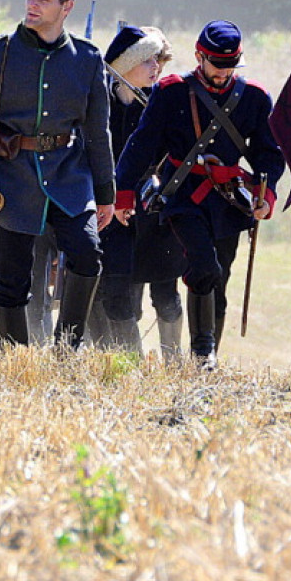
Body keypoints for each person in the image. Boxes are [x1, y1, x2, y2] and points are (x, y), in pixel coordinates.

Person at [0, 0, 115, 349]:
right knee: (11, 279)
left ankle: (66, 349)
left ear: (67, 6)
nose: (33, 5)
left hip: (69, 177)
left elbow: (98, 134)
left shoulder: (88, 61)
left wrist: (106, 194)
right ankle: (15, 358)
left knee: (88, 254)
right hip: (11, 177)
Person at [114, 20, 284, 368]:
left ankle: (207, 359)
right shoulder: (171, 91)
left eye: (230, 66)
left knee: (220, 277)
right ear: (199, 57)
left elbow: (268, 153)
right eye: (216, 65)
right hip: (183, 195)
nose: (223, 73)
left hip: (229, 202)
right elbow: (140, 146)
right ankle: (202, 352)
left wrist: (267, 193)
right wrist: (124, 192)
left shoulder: (253, 98)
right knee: (203, 265)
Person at [98, 25, 184, 358]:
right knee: (117, 291)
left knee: (166, 294)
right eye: (147, 60)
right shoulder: (99, 105)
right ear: (124, 64)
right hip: (113, 210)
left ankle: (174, 363)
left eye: (158, 60)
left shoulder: (166, 102)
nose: (156, 68)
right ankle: (130, 367)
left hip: (157, 210)